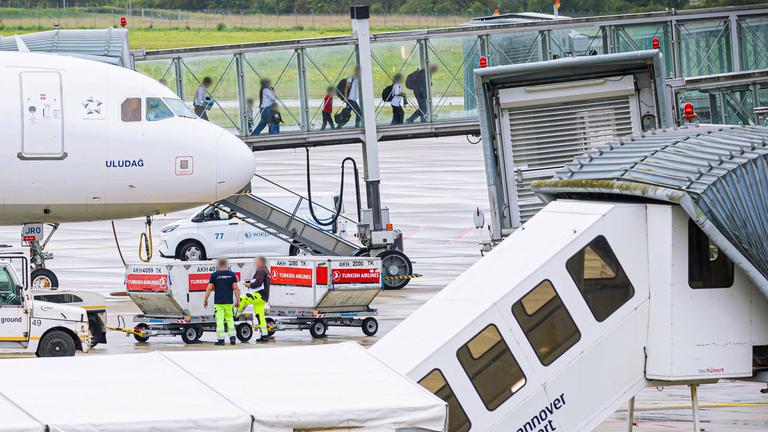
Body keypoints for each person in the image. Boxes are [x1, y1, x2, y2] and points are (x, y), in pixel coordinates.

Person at [203, 258, 241, 346]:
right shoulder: (232, 275)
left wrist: (205, 299)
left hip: (219, 303)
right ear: (226, 264)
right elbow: (235, 288)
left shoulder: (214, 275)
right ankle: (232, 337)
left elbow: (209, 288)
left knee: (219, 320)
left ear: (219, 264)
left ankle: (221, 339)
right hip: (229, 302)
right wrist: (238, 300)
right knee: (230, 319)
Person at [238, 256, 271, 342]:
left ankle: (235, 314)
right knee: (260, 316)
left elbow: (257, 283)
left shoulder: (261, 270)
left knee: (243, 298)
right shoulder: (266, 271)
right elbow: (258, 281)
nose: (255, 263)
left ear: (261, 262)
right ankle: (264, 335)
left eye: (256, 261)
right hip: (263, 297)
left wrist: (249, 285)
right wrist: (249, 283)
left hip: (259, 295)